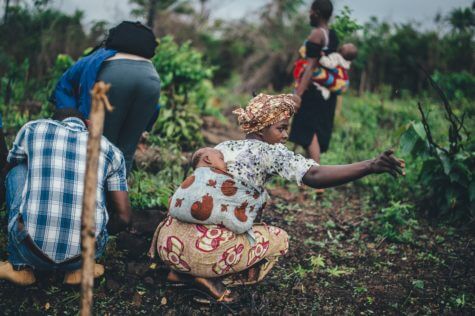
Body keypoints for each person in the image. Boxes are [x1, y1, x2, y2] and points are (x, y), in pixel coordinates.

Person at [149, 93, 405, 302]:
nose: (284, 136)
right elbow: (314, 175)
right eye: (281, 129)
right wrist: (370, 165)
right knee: (279, 239)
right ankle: (210, 280)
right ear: (261, 130)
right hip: (202, 252)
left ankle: (179, 274)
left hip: (168, 243)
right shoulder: (270, 152)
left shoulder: (222, 148)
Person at [0, 109, 132, 286]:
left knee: (18, 170)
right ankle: (78, 270)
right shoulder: (110, 150)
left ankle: (21, 267)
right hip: (84, 254)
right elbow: (124, 217)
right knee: (98, 183)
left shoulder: (33, 130)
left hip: (28, 249)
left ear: (52, 121)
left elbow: (8, 169)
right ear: (88, 125)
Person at [51, 21, 161, 174]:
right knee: (126, 152)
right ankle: (118, 193)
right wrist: (145, 124)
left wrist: (71, 119)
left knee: (101, 146)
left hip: (113, 76)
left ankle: (93, 194)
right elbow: (154, 107)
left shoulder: (96, 57)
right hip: (151, 81)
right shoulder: (148, 65)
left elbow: (63, 86)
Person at [164, 147, 267, 234]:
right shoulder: (220, 177)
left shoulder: (193, 177)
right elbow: (244, 193)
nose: (225, 163)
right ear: (208, 159)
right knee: (255, 199)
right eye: (221, 159)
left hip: (178, 214)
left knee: (177, 200)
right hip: (209, 230)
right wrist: (261, 195)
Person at [289, 0, 339, 165]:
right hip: (326, 93)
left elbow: (310, 66)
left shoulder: (317, 34)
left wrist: (299, 94)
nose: (308, 14)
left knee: (308, 132)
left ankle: (317, 178)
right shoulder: (332, 35)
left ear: (316, 12)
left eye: (310, 11)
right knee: (312, 132)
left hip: (312, 91)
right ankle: (307, 177)